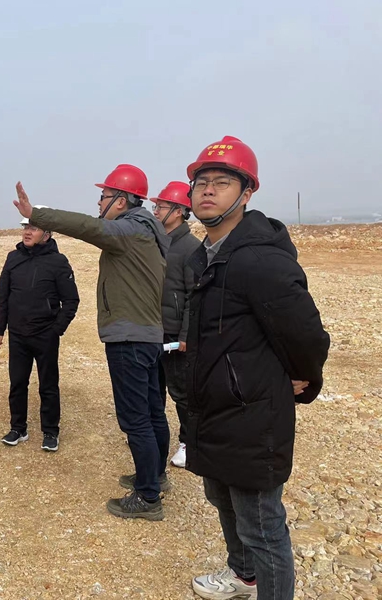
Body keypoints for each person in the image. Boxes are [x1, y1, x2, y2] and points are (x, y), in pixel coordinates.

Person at [183, 137, 330, 600]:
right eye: (201, 183)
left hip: (252, 413)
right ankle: (243, 576)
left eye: (222, 182)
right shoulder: (205, 255)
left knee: (262, 526)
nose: (208, 190)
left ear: (246, 193)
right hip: (212, 408)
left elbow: (307, 334)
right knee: (221, 499)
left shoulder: (259, 258)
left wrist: (302, 379)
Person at [13, 165, 171, 520]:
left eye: (104, 196)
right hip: (147, 335)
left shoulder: (129, 229)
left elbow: (89, 227)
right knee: (152, 413)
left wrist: (37, 214)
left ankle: (148, 497)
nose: (99, 202)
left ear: (121, 200)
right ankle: (155, 477)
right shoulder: (150, 231)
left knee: (136, 420)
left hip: (129, 339)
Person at [0, 207, 79, 452]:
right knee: (17, 383)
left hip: (45, 334)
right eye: (25, 228)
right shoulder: (13, 258)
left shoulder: (58, 262)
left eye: (33, 228)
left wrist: (56, 330)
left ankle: (50, 432)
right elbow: (3, 296)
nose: (27, 232)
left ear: (47, 234)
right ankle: (18, 428)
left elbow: (71, 301)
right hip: (18, 334)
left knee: (48, 385)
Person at [149, 181, 200, 469]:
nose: (156, 211)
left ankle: (188, 443)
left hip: (175, 335)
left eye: (161, 206)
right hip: (152, 329)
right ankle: (154, 436)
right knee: (153, 387)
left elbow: (194, 297)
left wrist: (185, 335)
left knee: (181, 391)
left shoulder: (191, 248)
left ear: (179, 211)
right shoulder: (157, 242)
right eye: (155, 206)